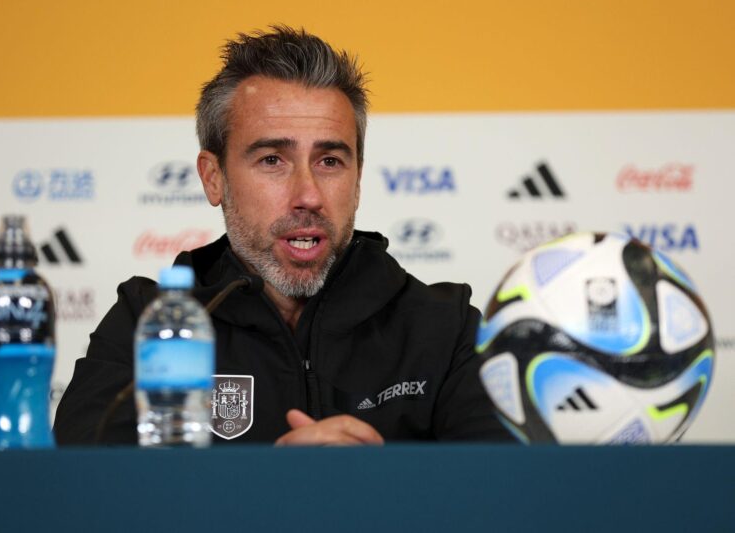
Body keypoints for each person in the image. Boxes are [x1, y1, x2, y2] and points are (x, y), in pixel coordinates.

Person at [54, 25, 510, 445]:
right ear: (214, 178)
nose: (308, 195)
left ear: (358, 179)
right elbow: (81, 497)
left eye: (330, 161)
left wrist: (379, 485)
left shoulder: (445, 328)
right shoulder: (149, 323)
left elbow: (503, 498)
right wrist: (274, 485)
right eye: (272, 159)